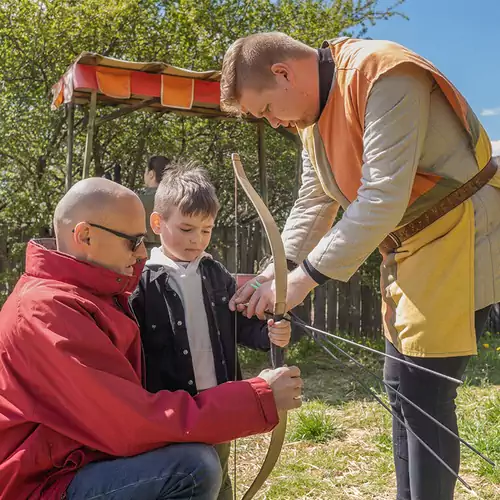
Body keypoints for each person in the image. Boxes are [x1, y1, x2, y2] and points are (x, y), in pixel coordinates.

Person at [220, 33, 500, 500]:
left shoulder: (381, 72)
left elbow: (382, 198)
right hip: (418, 249)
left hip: (466, 232)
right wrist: (277, 269)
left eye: (267, 108)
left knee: (423, 393)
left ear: (283, 73)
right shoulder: (312, 118)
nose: (272, 121)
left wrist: (304, 279)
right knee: (403, 388)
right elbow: (315, 200)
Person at [0, 177, 303, 500]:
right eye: (132, 241)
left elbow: (234, 324)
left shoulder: (91, 293)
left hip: (77, 458)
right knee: (193, 467)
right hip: (44, 482)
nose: (143, 252)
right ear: (85, 235)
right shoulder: (48, 312)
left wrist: (269, 329)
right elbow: (127, 422)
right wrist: (256, 397)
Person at [130, 161, 291, 500]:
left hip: (218, 403)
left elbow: (240, 325)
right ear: (157, 223)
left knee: (219, 477)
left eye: (206, 230)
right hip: (170, 411)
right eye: (187, 228)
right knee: (184, 481)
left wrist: (269, 334)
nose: (197, 240)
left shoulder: (214, 273)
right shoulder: (143, 282)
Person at [139, 155, 171, 251]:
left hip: (141, 253)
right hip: (169, 254)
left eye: (145, 172)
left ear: (151, 174)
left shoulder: (137, 201)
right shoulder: (177, 201)